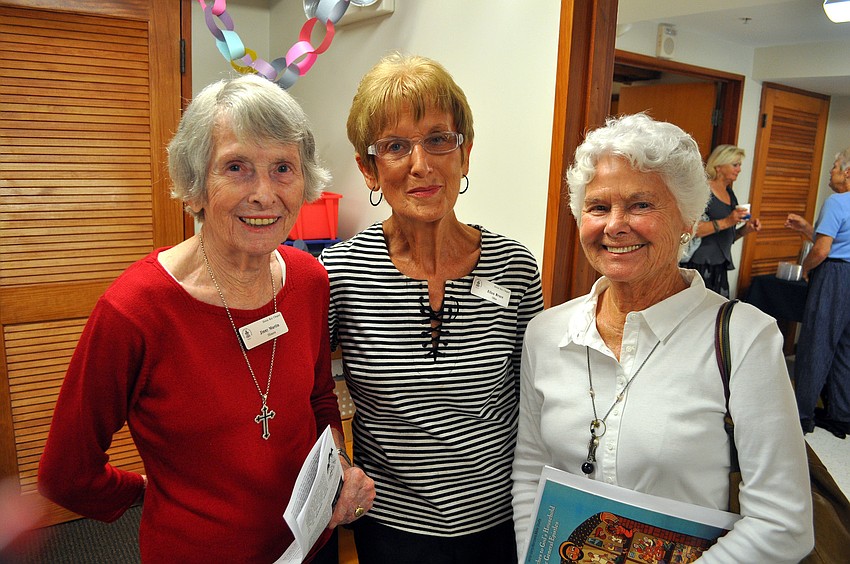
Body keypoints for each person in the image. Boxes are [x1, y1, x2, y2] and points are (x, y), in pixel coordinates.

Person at [38, 74, 375, 563]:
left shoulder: (309, 280)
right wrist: (148, 495)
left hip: (309, 548)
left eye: (283, 167)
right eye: (236, 167)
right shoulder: (134, 310)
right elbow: (66, 474)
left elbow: (319, 398)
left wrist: (339, 469)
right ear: (195, 183)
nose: (264, 193)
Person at [512, 114, 813, 563]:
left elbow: (783, 524)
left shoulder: (745, 338)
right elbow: (530, 473)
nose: (615, 225)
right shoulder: (547, 332)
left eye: (641, 205)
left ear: (687, 217)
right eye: (598, 207)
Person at [319, 53, 544, 563]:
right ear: (369, 169)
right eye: (396, 146)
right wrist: (338, 465)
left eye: (439, 140)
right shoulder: (340, 271)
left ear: (464, 154)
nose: (421, 165)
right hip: (391, 527)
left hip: (502, 521)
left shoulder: (514, 266)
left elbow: (535, 396)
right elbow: (307, 389)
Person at [793, 148, 850, 437]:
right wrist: (808, 229)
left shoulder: (836, 201)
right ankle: (841, 415)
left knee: (817, 341)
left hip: (835, 275)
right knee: (845, 347)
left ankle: (802, 415)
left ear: (848, 173)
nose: (831, 172)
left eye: (835, 167)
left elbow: (823, 250)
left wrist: (805, 267)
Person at [680, 144, 761, 297]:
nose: (739, 169)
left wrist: (746, 229)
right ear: (719, 166)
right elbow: (692, 229)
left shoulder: (729, 193)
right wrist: (728, 221)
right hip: (699, 264)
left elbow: (727, 237)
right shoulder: (704, 190)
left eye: (740, 165)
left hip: (719, 266)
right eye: (735, 165)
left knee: (717, 314)